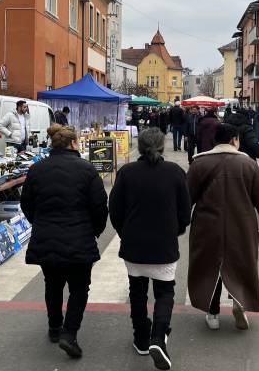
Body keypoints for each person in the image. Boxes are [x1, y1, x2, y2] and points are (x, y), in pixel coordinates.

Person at [20, 124, 109, 359]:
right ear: (73, 144)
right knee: (79, 288)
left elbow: (26, 203)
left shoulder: (37, 169)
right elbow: (100, 206)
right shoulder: (87, 170)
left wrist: (39, 223)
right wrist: (95, 231)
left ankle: (54, 327)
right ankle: (69, 334)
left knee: (53, 283)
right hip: (79, 238)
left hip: (46, 236)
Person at [109, 128, 191, 370]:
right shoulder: (175, 172)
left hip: (134, 244)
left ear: (140, 146)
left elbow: (114, 209)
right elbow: (185, 212)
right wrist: (176, 230)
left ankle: (141, 339)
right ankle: (158, 337)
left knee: (137, 291)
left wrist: (125, 232)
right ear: (162, 146)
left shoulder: (127, 172)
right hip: (164, 243)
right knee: (165, 292)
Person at [187, 123, 259, 331]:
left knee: (210, 268)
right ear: (233, 140)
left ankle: (212, 314)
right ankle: (240, 303)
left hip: (207, 225)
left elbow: (187, 199)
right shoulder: (248, 165)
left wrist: (178, 223)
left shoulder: (200, 164)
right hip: (242, 225)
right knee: (241, 264)